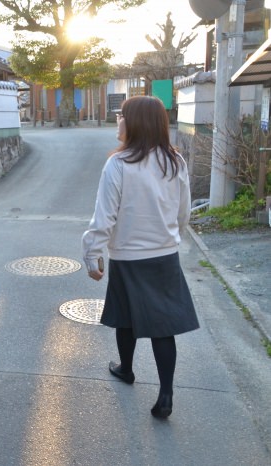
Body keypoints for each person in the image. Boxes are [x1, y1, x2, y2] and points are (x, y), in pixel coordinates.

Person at [82, 95, 199, 419]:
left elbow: (104, 217)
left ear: (135, 123)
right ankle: (166, 393)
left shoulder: (118, 164)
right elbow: (183, 212)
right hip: (163, 255)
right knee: (163, 326)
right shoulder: (175, 162)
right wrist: (170, 237)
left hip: (127, 256)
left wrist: (92, 254)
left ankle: (127, 369)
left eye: (122, 116)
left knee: (124, 315)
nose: (118, 121)